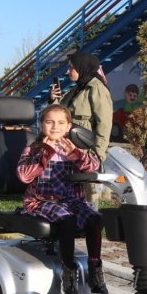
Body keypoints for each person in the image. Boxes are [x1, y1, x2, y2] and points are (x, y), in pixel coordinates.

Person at [16, 104, 106, 294]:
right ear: (41, 125)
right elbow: (24, 176)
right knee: (67, 220)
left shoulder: (74, 147)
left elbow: (94, 167)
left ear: (69, 126)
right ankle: (68, 272)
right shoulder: (33, 149)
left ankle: (95, 269)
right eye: (49, 122)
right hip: (41, 201)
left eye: (60, 123)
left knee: (95, 218)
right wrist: (45, 153)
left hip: (72, 199)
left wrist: (76, 154)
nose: (55, 127)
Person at [50, 51, 113, 208]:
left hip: (86, 152)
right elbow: (59, 115)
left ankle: (90, 230)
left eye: (71, 67)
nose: (67, 71)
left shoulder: (96, 89)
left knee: (89, 199)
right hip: (69, 151)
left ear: (82, 67)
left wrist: (98, 156)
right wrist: (53, 99)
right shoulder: (77, 90)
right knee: (71, 197)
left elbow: (104, 124)